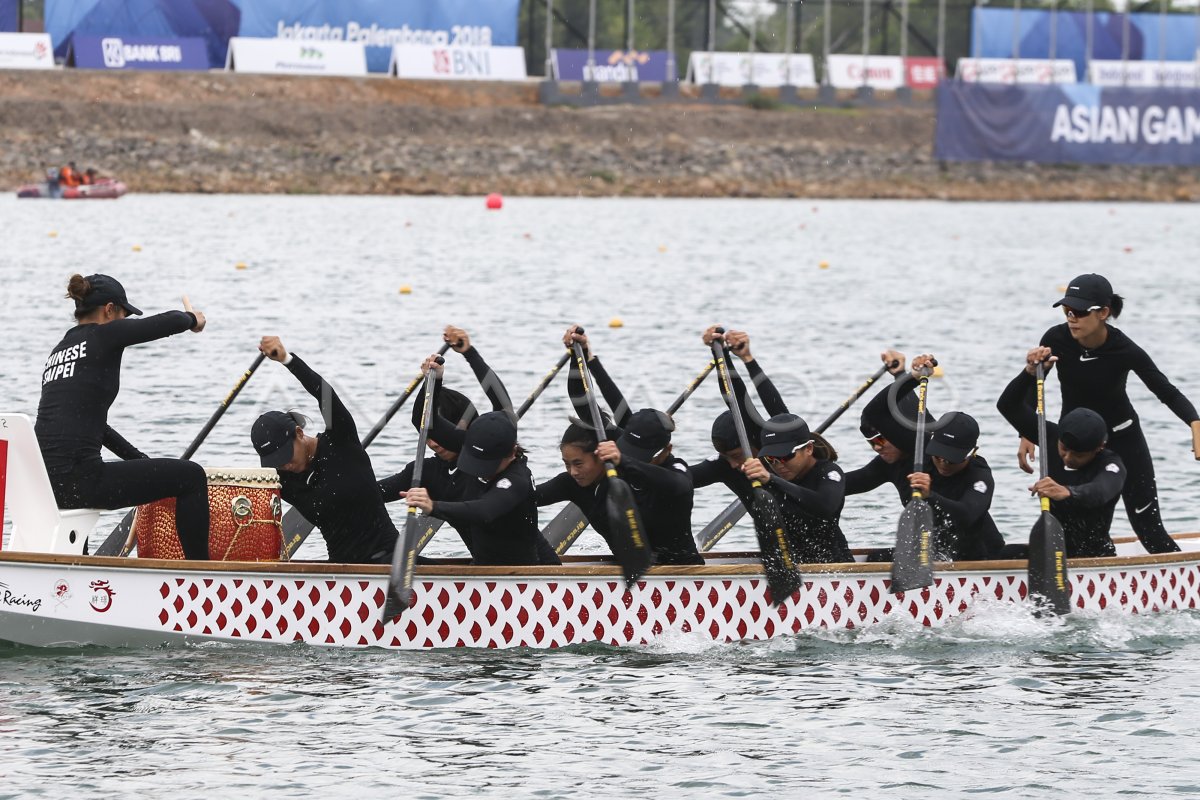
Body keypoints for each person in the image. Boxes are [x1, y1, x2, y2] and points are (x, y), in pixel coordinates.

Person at [1016, 274, 1198, 554]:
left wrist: (1195, 423)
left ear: (1104, 313)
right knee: (1072, 529)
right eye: (1067, 312)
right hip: (1074, 443)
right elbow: (1036, 380)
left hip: (1124, 439)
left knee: (1148, 528)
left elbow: (1166, 391)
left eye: (1078, 312)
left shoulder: (1125, 349)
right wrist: (1026, 432)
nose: (1071, 319)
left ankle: (1183, 582)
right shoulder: (1055, 338)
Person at [35, 274, 209, 558]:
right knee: (191, 476)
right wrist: (192, 319)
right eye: (123, 314)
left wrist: (141, 462)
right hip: (81, 483)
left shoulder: (60, 351)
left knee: (92, 475)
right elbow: (163, 324)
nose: (124, 321)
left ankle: (77, 574)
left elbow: (92, 425)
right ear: (108, 309)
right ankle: (203, 577)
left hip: (45, 485)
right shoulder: (104, 334)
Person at [538, 325, 702, 565]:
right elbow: (585, 403)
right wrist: (581, 358)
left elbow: (679, 486)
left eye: (638, 455)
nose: (630, 455)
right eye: (627, 451)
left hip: (680, 573)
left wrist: (624, 460)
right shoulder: (626, 439)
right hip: (631, 572)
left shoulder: (674, 471)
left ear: (665, 451)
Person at [251, 336, 398, 564]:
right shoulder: (283, 480)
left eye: (286, 455)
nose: (285, 465)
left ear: (299, 433)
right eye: (276, 462)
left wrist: (287, 360)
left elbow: (324, 395)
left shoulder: (341, 440)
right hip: (338, 573)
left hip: (392, 560)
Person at [998, 349, 1128, 557]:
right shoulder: (1051, 435)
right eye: (1064, 449)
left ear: (1098, 448)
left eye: (1077, 455)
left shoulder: (1110, 464)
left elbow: (1101, 491)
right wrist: (1028, 373)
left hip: (1094, 556)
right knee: (1002, 554)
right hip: (1053, 549)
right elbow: (1008, 406)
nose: (1067, 457)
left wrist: (1067, 492)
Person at [400, 405, 546, 566]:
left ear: (512, 453)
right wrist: (436, 380)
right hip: (483, 569)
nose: (482, 471)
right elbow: (425, 418)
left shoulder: (517, 479)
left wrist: (433, 506)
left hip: (518, 577)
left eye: (488, 465)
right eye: (479, 462)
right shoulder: (477, 443)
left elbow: (485, 510)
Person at [689, 327, 791, 512]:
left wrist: (747, 360)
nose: (734, 465)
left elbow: (737, 398)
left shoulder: (783, 446)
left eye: (737, 456)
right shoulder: (726, 465)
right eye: (727, 458)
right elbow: (678, 479)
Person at [741, 413, 853, 564]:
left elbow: (826, 506)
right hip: (787, 568)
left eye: (785, 456)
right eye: (771, 459)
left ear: (808, 448)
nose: (779, 465)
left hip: (834, 568)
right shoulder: (766, 474)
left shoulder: (829, 472)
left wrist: (771, 479)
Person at [906, 409, 1005, 561]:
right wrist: (906, 384)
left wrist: (930, 496)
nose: (943, 463)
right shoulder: (921, 456)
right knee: (876, 557)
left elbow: (967, 514)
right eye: (938, 454)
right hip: (937, 552)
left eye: (952, 459)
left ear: (973, 452)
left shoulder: (980, 475)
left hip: (982, 558)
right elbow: (876, 413)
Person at [844, 349, 930, 505]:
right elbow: (844, 485)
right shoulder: (887, 464)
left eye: (880, 440)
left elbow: (909, 406)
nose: (876, 448)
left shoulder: (928, 445)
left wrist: (912, 376)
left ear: (895, 432)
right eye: (871, 442)